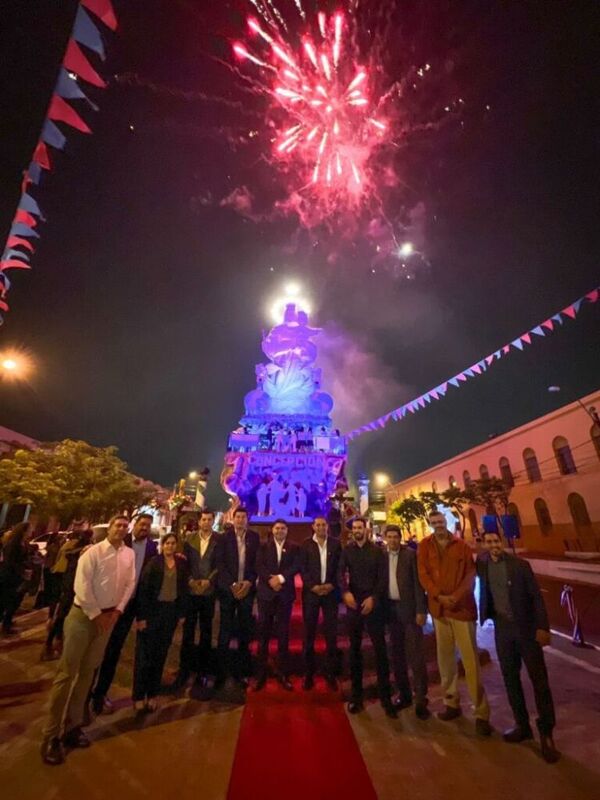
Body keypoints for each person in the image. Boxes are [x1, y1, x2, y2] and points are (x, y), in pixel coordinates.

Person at [41, 515, 135, 766]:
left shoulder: (129, 555)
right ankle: (50, 735)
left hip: (107, 619)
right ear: (110, 528)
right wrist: (97, 616)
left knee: (86, 675)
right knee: (66, 675)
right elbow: (81, 587)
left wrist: (117, 611)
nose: (121, 529)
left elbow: (129, 584)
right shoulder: (92, 553)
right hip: (84, 618)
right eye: (118, 525)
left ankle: (71, 728)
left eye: (126, 526)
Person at [477, 531, 559, 763]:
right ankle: (522, 725)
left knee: (539, 681)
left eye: (496, 541)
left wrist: (542, 627)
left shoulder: (520, 565)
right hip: (502, 630)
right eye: (489, 542)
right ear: (483, 545)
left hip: (526, 629)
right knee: (510, 679)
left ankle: (547, 733)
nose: (493, 545)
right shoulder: (482, 563)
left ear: (501, 543)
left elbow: (536, 597)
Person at [417, 510, 491, 736]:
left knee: (470, 662)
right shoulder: (425, 546)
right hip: (439, 609)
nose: (438, 525)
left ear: (446, 523)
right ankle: (451, 702)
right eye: (434, 522)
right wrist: (438, 595)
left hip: (461, 610)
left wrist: (455, 597)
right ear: (430, 524)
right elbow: (423, 574)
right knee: (445, 659)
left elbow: (470, 575)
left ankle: (481, 713)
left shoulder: (461, 546)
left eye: (441, 522)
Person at [90, 514, 158, 713]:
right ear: (134, 525)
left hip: (132, 606)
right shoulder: (121, 542)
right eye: (142, 524)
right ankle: (87, 694)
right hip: (112, 603)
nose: (144, 527)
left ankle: (100, 694)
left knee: (114, 651)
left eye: (148, 525)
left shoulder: (152, 548)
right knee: (99, 650)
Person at [338, 517, 396, 718]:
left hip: (373, 605)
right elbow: (340, 573)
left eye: (360, 527)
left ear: (366, 529)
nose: (357, 530)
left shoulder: (377, 551)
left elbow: (383, 578)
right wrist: (345, 592)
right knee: (354, 651)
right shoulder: (347, 551)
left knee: (380, 651)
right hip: (354, 605)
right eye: (354, 528)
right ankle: (356, 696)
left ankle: (385, 697)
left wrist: (374, 598)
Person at [132, 533, 189, 711]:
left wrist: (181, 613)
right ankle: (139, 695)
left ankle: (153, 694)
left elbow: (183, 590)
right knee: (144, 656)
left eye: (173, 543)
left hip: (170, 613)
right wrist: (141, 617)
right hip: (152, 612)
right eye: (167, 543)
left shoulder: (181, 565)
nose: (170, 546)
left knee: (160, 655)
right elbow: (143, 591)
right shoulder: (154, 564)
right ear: (162, 545)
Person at [383, 525, 430, 719]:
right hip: (391, 612)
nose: (393, 540)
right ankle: (404, 694)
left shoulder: (410, 555)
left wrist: (421, 610)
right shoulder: (381, 556)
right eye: (390, 537)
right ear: (386, 538)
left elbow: (419, 585)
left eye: (396, 537)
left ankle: (421, 698)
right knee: (397, 655)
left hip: (409, 610)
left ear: (400, 538)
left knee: (416, 655)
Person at [215, 508, 260, 688]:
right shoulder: (224, 538)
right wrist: (232, 585)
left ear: (247, 519)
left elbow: (257, 562)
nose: (241, 520)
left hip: (246, 590)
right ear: (233, 519)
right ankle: (220, 672)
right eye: (238, 517)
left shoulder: (254, 538)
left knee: (244, 631)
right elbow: (220, 563)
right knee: (225, 631)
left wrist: (249, 582)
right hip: (229, 590)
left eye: (243, 517)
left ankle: (241, 672)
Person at [255, 519, 300, 691]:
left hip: (284, 594)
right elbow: (259, 565)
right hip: (266, 595)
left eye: (283, 528)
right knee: (263, 635)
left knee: (283, 635)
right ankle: (260, 673)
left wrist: (280, 578)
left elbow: (296, 565)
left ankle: (283, 673)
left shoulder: (294, 547)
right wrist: (270, 580)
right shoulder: (263, 546)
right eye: (277, 528)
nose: (280, 530)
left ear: (287, 530)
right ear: (272, 530)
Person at [177, 508, 218, 688]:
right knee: (188, 632)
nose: (206, 523)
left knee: (206, 632)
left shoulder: (219, 540)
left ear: (213, 521)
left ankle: (203, 670)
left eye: (209, 520)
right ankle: (184, 670)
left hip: (208, 592)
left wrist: (209, 581)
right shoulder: (189, 539)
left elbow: (220, 564)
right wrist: (190, 580)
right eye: (204, 520)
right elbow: (183, 563)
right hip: (191, 592)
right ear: (199, 521)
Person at [300, 516, 341, 690]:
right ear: (313, 527)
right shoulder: (305, 545)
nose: (321, 527)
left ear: (327, 527)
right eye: (318, 525)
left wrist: (332, 585)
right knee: (309, 633)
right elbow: (303, 568)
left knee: (331, 634)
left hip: (330, 593)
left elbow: (339, 567)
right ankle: (309, 673)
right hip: (312, 594)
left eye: (324, 525)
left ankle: (330, 672)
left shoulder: (336, 544)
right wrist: (313, 586)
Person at [42, 527, 89, 660]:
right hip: (70, 585)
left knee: (62, 614)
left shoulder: (71, 548)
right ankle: (52, 643)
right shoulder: (79, 551)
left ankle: (56, 640)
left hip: (64, 581)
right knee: (63, 614)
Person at [0, 522, 33, 635]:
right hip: (9, 577)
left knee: (14, 601)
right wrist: (22, 571)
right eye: (29, 529)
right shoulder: (13, 544)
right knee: (5, 601)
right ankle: (5, 625)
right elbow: (10, 562)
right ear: (23, 531)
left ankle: (7, 623)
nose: (31, 531)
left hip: (17, 577)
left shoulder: (23, 543)